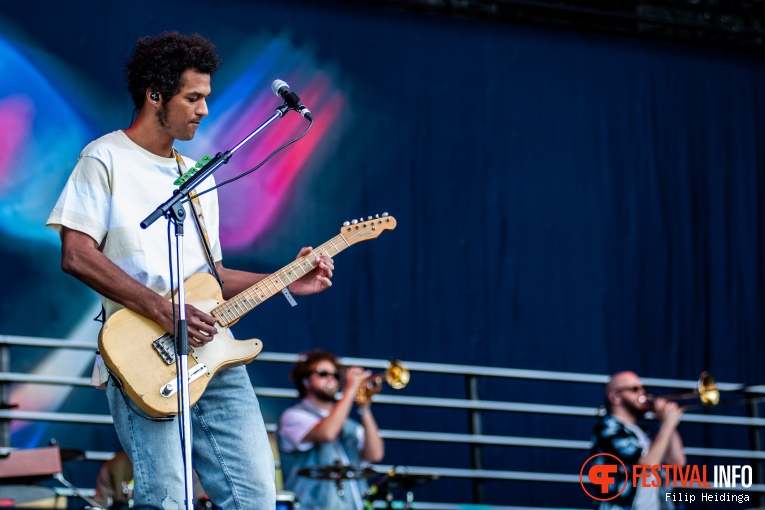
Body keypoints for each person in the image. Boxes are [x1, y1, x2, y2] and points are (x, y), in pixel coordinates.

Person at [46, 32, 335, 510]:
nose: (204, 110)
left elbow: (213, 277)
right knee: (165, 500)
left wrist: (288, 277)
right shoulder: (105, 157)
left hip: (211, 353)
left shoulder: (197, 176)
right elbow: (76, 253)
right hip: (143, 350)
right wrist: (163, 310)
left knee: (256, 498)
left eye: (206, 98)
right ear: (154, 95)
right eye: (193, 97)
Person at [277, 350, 384, 510]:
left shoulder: (348, 424)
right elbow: (327, 433)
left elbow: (375, 454)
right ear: (305, 381)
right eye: (323, 373)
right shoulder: (293, 417)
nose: (331, 378)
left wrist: (364, 409)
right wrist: (349, 391)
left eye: (335, 375)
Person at [590, 371, 686, 510]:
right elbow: (647, 465)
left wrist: (667, 423)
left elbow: (677, 462)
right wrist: (668, 424)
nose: (643, 394)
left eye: (643, 389)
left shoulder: (642, 431)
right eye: (635, 389)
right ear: (615, 397)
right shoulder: (608, 429)